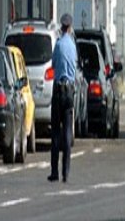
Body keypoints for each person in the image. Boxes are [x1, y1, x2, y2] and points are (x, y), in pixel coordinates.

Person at [48, 13, 77, 183]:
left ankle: (54, 171)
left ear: (61, 26)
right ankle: (66, 172)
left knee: (56, 133)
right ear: (70, 27)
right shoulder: (72, 46)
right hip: (70, 91)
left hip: (58, 90)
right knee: (67, 132)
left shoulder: (58, 45)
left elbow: (53, 65)